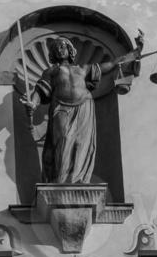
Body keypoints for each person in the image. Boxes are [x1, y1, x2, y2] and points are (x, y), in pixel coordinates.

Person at [18, 31, 144, 185]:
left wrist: (136, 51)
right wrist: (33, 103)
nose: (60, 49)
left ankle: (78, 179)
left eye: (63, 46)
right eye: (56, 47)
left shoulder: (83, 69)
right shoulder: (51, 71)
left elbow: (112, 64)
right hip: (61, 109)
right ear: (52, 53)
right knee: (63, 140)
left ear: (70, 50)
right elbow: (39, 90)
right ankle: (61, 181)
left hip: (84, 107)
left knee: (81, 144)